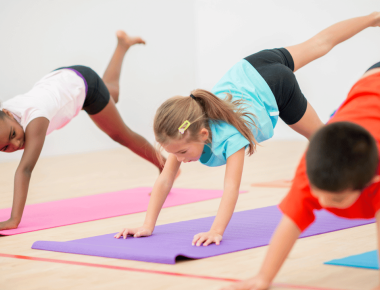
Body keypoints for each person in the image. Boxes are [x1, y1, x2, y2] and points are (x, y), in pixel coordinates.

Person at [115, 13, 380, 247]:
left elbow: (231, 187)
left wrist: (216, 231)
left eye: (182, 153)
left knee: (323, 138)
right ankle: (372, 18)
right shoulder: (184, 132)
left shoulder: (230, 138)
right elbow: (165, 179)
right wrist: (147, 225)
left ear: (204, 135)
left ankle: (371, 21)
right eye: (176, 154)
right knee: (319, 44)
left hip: (277, 86)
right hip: (251, 66)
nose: (180, 159)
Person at [221, 61, 380, 290]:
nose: (323, 204)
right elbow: (291, 222)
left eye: (336, 199)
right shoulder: (311, 171)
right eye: (318, 194)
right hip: (371, 81)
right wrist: (264, 277)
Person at [0, 31, 166, 231]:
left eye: (13, 135)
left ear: (9, 113)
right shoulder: (7, 116)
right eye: (6, 148)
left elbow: (24, 169)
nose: (17, 144)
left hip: (85, 85)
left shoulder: (35, 118)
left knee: (121, 135)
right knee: (112, 93)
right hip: (63, 77)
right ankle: (123, 45)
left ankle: (165, 166)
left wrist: (14, 220)